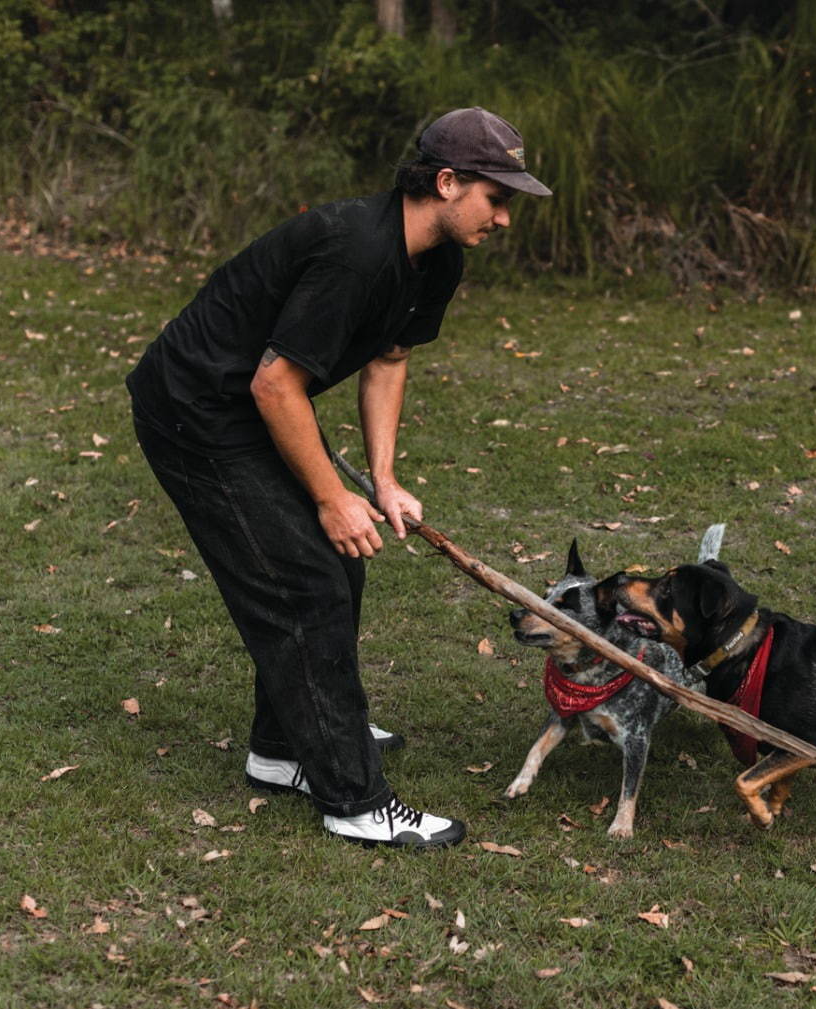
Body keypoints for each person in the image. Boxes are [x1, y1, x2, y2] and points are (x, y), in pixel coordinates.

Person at [125, 107, 551, 848]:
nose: (506, 218)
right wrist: (330, 497)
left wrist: (380, 480)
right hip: (196, 407)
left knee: (335, 567)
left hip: (255, 400)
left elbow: (389, 358)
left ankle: (283, 748)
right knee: (307, 578)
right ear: (447, 183)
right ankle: (354, 798)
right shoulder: (356, 249)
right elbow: (273, 386)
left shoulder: (438, 258)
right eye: (498, 196)